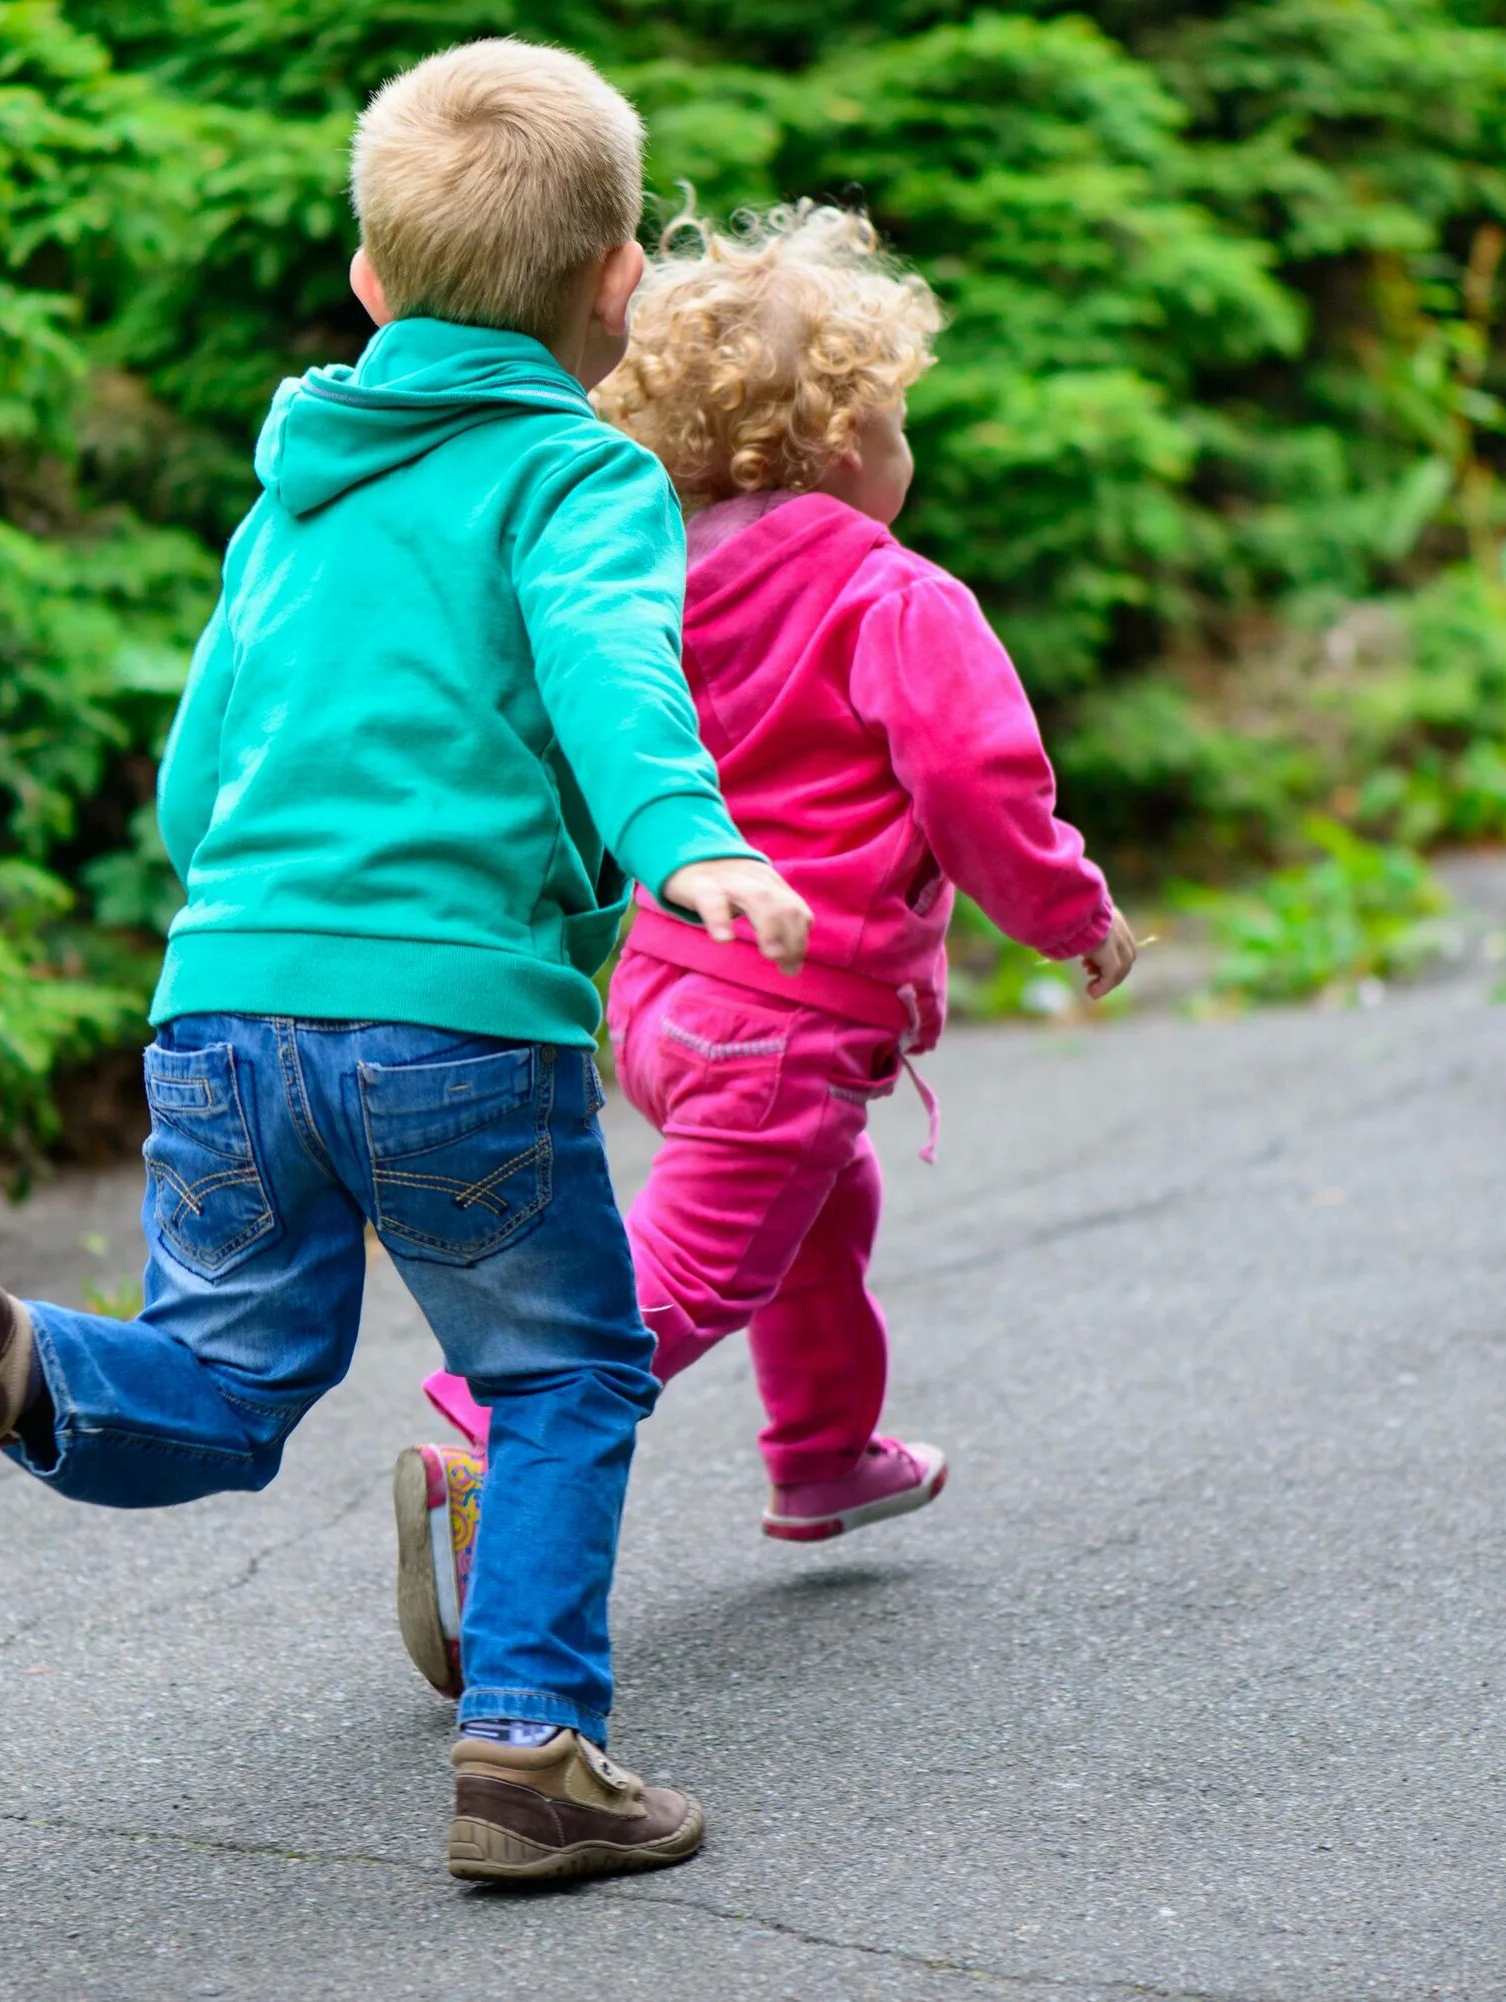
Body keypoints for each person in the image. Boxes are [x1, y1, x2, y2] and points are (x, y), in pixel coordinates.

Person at [0, 40, 812, 1886]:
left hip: (228, 998)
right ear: (617, 284)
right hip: (452, 1022)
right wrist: (685, 842)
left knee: (230, 1379)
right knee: (567, 1374)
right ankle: (532, 1750)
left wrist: (250, 925)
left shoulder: (292, 494)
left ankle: (15, 1365)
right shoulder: (577, 480)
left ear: (370, 283)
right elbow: (609, 667)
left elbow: (198, 769)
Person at [398, 202, 1134, 1683]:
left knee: (817, 1209)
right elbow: (980, 781)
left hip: (660, 993)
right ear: (853, 435)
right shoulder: (890, 593)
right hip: (785, 1014)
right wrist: (1070, 911)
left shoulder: (642, 579)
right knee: (687, 1276)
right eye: (901, 423)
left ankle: (823, 1451)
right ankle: (491, 1429)